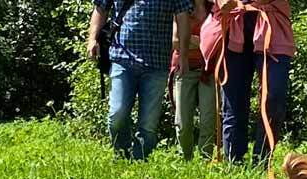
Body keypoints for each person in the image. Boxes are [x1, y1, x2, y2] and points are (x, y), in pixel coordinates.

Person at [87, 0, 193, 160]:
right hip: (122, 59)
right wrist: (92, 39)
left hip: (157, 63)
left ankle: (139, 163)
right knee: (117, 115)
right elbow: (100, 9)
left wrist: (184, 56)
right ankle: (122, 155)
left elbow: (183, 18)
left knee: (148, 125)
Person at [201, 0, 295, 166]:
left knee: (274, 96)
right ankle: (233, 166)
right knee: (233, 104)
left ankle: (262, 163)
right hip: (233, 24)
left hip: (272, 23)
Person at [171, 0, 217, 161]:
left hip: (209, 70)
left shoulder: (214, 9)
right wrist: (204, 41)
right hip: (185, 68)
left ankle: (206, 161)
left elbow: (219, 40)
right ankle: (186, 160)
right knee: (182, 123)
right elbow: (175, 42)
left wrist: (190, 39)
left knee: (208, 120)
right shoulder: (181, 7)